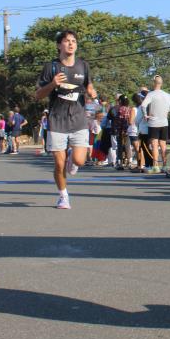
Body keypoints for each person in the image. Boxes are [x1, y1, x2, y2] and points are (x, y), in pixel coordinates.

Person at [34, 30, 98, 209]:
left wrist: (91, 91)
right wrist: (53, 84)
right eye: (67, 41)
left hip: (78, 118)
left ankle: (72, 158)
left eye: (74, 41)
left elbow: (89, 85)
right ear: (59, 45)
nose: (71, 44)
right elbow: (38, 95)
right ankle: (63, 196)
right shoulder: (51, 67)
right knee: (59, 163)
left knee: (79, 161)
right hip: (57, 120)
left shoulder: (83, 65)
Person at [142, 75, 170, 173]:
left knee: (154, 145)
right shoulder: (167, 95)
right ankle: (164, 166)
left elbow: (143, 105)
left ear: (154, 83)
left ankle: (156, 166)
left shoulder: (151, 94)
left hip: (153, 122)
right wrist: (168, 110)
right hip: (164, 122)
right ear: (161, 83)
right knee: (163, 144)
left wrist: (145, 115)